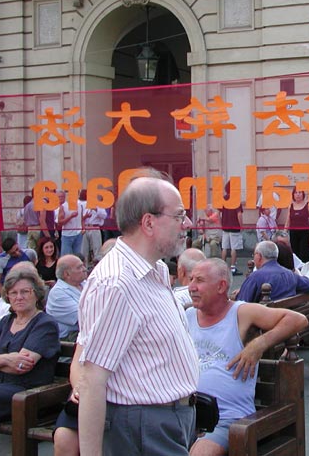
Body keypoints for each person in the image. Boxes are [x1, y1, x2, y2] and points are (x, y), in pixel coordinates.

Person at [77, 172, 199, 456]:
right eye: (179, 215)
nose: (188, 224)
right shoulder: (116, 283)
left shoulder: (155, 270)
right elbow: (92, 380)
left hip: (166, 420)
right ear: (148, 222)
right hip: (143, 427)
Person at [186, 258, 307, 455]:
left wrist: (259, 344)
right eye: (191, 279)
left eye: (199, 280)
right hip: (187, 413)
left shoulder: (241, 312)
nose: (191, 287)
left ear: (221, 286)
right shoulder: (188, 316)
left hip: (227, 419)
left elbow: (298, 320)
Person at [0, 268, 60, 455]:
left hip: (27, 393)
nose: (19, 297)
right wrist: (8, 358)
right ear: (7, 296)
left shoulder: (45, 324)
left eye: (25, 291)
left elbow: (21, 366)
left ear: (36, 294)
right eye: (13, 293)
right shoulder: (5, 322)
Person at [235, 241, 309, 303]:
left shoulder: (255, 277)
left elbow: (241, 304)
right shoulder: (290, 274)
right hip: (287, 316)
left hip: (264, 318)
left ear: (259, 256)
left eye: (254, 255)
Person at [0, 237, 37, 315]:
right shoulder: (1, 260)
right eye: (13, 253)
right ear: (7, 252)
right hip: (5, 287)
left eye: (17, 249)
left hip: (26, 285)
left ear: (17, 244)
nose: (17, 253)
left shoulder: (30, 253)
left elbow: (34, 267)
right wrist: (5, 295)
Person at [46, 255, 88, 341]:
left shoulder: (85, 283)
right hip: (69, 338)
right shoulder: (57, 294)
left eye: (83, 266)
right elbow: (84, 316)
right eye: (79, 267)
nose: (84, 269)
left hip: (85, 332)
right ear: (67, 274)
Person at [220, 183, 243, 276]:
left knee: (224, 247)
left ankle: (222, 267)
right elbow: (239, 214)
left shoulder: (223, 199)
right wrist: (241, 226)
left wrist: (221, 224)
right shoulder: (236, 199)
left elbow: (219, 213)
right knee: (234, 248)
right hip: (234, 227)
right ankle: (233, 267)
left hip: (225, 226)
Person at [80, 190, 107, 268]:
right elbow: (79, 217)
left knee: (97, 250)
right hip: (85, 228)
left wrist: (95, 209)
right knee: (84, 250)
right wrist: (85, 217)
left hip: (95, 228)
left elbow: (104, 215)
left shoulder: (99, 205)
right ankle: (85, 268)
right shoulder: (83, 204)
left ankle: (98, 267)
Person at [285, 188, 309, 263]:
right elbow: (287, 222)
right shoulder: (290, 206)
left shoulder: (308, 205)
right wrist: (284, 234)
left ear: (303, 194)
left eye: (300, 192)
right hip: (293, 233)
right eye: (296, 193)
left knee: (304, 254)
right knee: (295, 254)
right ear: (293, 195)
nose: (298, 194)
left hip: (305, 233)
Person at [58, 190, 84, 256]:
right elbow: (60, 222)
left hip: (78, 235)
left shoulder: (80, 206)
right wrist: (70, 216)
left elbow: (81, 219)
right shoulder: (63, 207)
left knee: (78, 257)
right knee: (66, 257)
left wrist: (83, 229)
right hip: (67, 235)